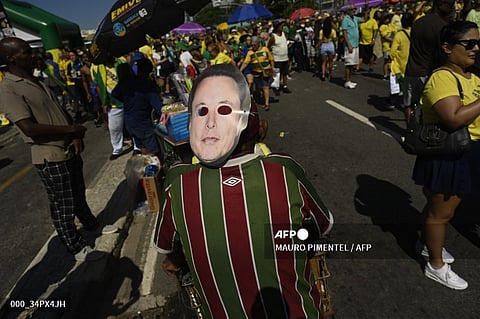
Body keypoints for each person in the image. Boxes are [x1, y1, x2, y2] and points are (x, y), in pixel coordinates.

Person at [153, 64, 333, 318]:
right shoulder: (283, 169)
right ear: (261, 130)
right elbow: (322, 225)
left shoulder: (178, 183)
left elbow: (169, 251)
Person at [0, 37, 102, 262]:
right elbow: (29, 128)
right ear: (11, 58)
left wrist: (74, 135)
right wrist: (71, 129)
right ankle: (74, 246)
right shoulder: (8, 89)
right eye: (27, 52)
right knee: (62, 205)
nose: (34, 55)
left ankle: (91, 225)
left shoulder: (36, 80)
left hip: (68, 148)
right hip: (50, 155)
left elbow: (57, 110)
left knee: (78, 195)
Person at [412, 21, 480, 290]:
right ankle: (436, 265)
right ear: (447, 48)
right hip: (451, 154)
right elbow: (453, 118)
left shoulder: (471, 76)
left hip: (469, 151)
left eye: (478, 43)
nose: (476, 48)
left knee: (437, 208)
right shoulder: (442, 77)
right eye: (469, 44)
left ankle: (429, 245)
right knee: (442, 212)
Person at [403, 0, 454, 123]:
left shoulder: (418, 23)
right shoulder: (441, 26)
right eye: (450, 4)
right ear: (440, 4)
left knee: (409, 104)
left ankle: (410, 131)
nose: (452, 7)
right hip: (428, 72)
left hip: (411, 70)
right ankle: (421, 133)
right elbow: (442, 54)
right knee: (427, 107)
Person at [111, 58, 162, 156]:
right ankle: (153, 169)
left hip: (130, 123)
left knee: (142, 147)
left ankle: (145, 166)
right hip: (143, 123)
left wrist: (127, 100)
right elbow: (158, 107)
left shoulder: (125, 82)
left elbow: (115, 94)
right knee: (153, 152)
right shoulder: (146, 85)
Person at [239, 36, 275, 111]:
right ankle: (263, 98)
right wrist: (240, 70)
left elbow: (271, 59)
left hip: (265, 72)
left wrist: (272, 68)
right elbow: (246, 62)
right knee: (260, 87)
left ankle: (267, 103)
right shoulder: (250, 52)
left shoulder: (265, 49)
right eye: (252, 45)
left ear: (258, 44)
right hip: (256, 73)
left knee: (265, 86)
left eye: (254, 45)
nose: (253, 46)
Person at [268, 21, 292, 95]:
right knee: (277, 74)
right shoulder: (273, 36)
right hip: (277, 58)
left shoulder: (284, 34)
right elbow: (269, 46)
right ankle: (277, 87)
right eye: (281, 26)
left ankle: (284, 86)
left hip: (285, 57)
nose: (282, 27)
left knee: (285, 73)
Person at [341, 4, 361, 89]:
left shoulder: (355, 18)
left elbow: (364, 19)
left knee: (352, 64)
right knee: (348, 64)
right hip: (350, 45)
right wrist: (349, 44)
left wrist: (367, 8)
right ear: (348, 11)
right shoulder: (346, 19)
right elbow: (344, 33)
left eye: (355, 9)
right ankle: (347, 81)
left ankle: (349, 80)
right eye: (352, 9)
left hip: (355, 44)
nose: (354, 10)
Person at [318, 16, 338, 81]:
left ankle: (323, 74)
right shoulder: (332, 31)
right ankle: (329, 75)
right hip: (330, 45)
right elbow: (335, 39)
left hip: (324, 45)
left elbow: (320, 40)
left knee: (323, 62)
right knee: (330, 62)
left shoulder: (321, 31)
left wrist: (318, 46)